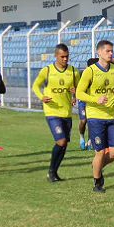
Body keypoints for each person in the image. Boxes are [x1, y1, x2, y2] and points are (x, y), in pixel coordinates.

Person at [76, 40, 114, 193]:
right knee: (100, 152)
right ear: (99, 53)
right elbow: (79, 93)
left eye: (112, 51)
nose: (111, 54)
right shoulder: (90, 71)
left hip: (112, 116)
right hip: (95, 117)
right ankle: (97, 182)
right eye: (108, 51)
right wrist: (95, 99)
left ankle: (97, 166)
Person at [32, 44, 80, 182]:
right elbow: (35, 85)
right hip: (52, 111)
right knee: (61, 140)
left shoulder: (73, 72)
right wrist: (41, 97)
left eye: (67, 56)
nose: (65, 59)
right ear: (56, 56)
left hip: (67, 113)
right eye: (62, 57)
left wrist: (75, 93)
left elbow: (79, 88)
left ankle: (54, 172)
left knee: (64, 144)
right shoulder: (47, 70)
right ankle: (51, 170)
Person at [78, 58, 98, 151]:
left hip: (92, 102)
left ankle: (90, 141)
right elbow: (78, 88)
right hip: (83, 101)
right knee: (83, 120)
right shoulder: (83, 74)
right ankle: (81, 137)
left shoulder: (99, 75)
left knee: (92, 121)